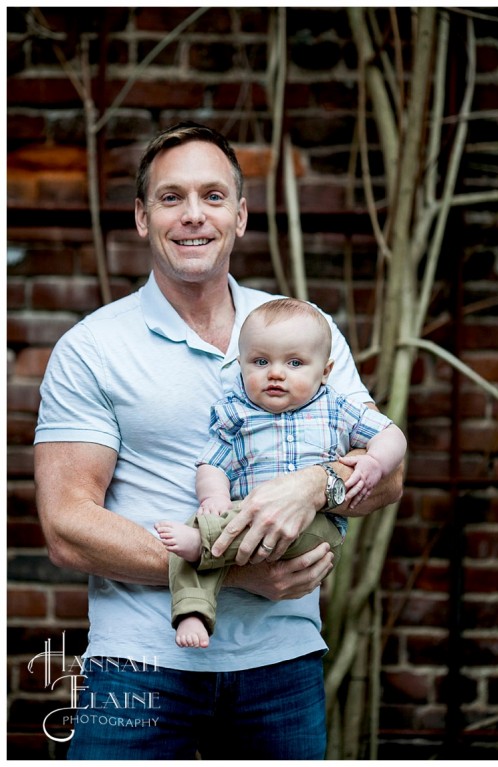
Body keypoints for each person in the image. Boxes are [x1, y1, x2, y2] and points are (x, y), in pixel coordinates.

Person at [34, 122, 403, 759]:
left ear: (240, 214)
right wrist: (237, 574)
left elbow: (387, 477)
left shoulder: (303, 332)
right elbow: (67, 525)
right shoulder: (93, 349)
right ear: (143, 218)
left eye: (212, 196)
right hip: (140, 665)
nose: (193, 216)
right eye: (171, 198)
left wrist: (316, 482)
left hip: (282, 664)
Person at [155, 297, 407, 649]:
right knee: (199, 531)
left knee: (200, 540)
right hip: (243, 521)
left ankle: (205, 546)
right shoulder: (236, 414)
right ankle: (192, 612)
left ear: (325, 372)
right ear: (241, 365)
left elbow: (391, 434)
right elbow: (211, 463)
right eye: (260, 362)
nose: (276, 373)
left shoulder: (335, 406)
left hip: (314, 530)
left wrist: (375, 461)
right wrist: (214, 496)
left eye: (294, 363)